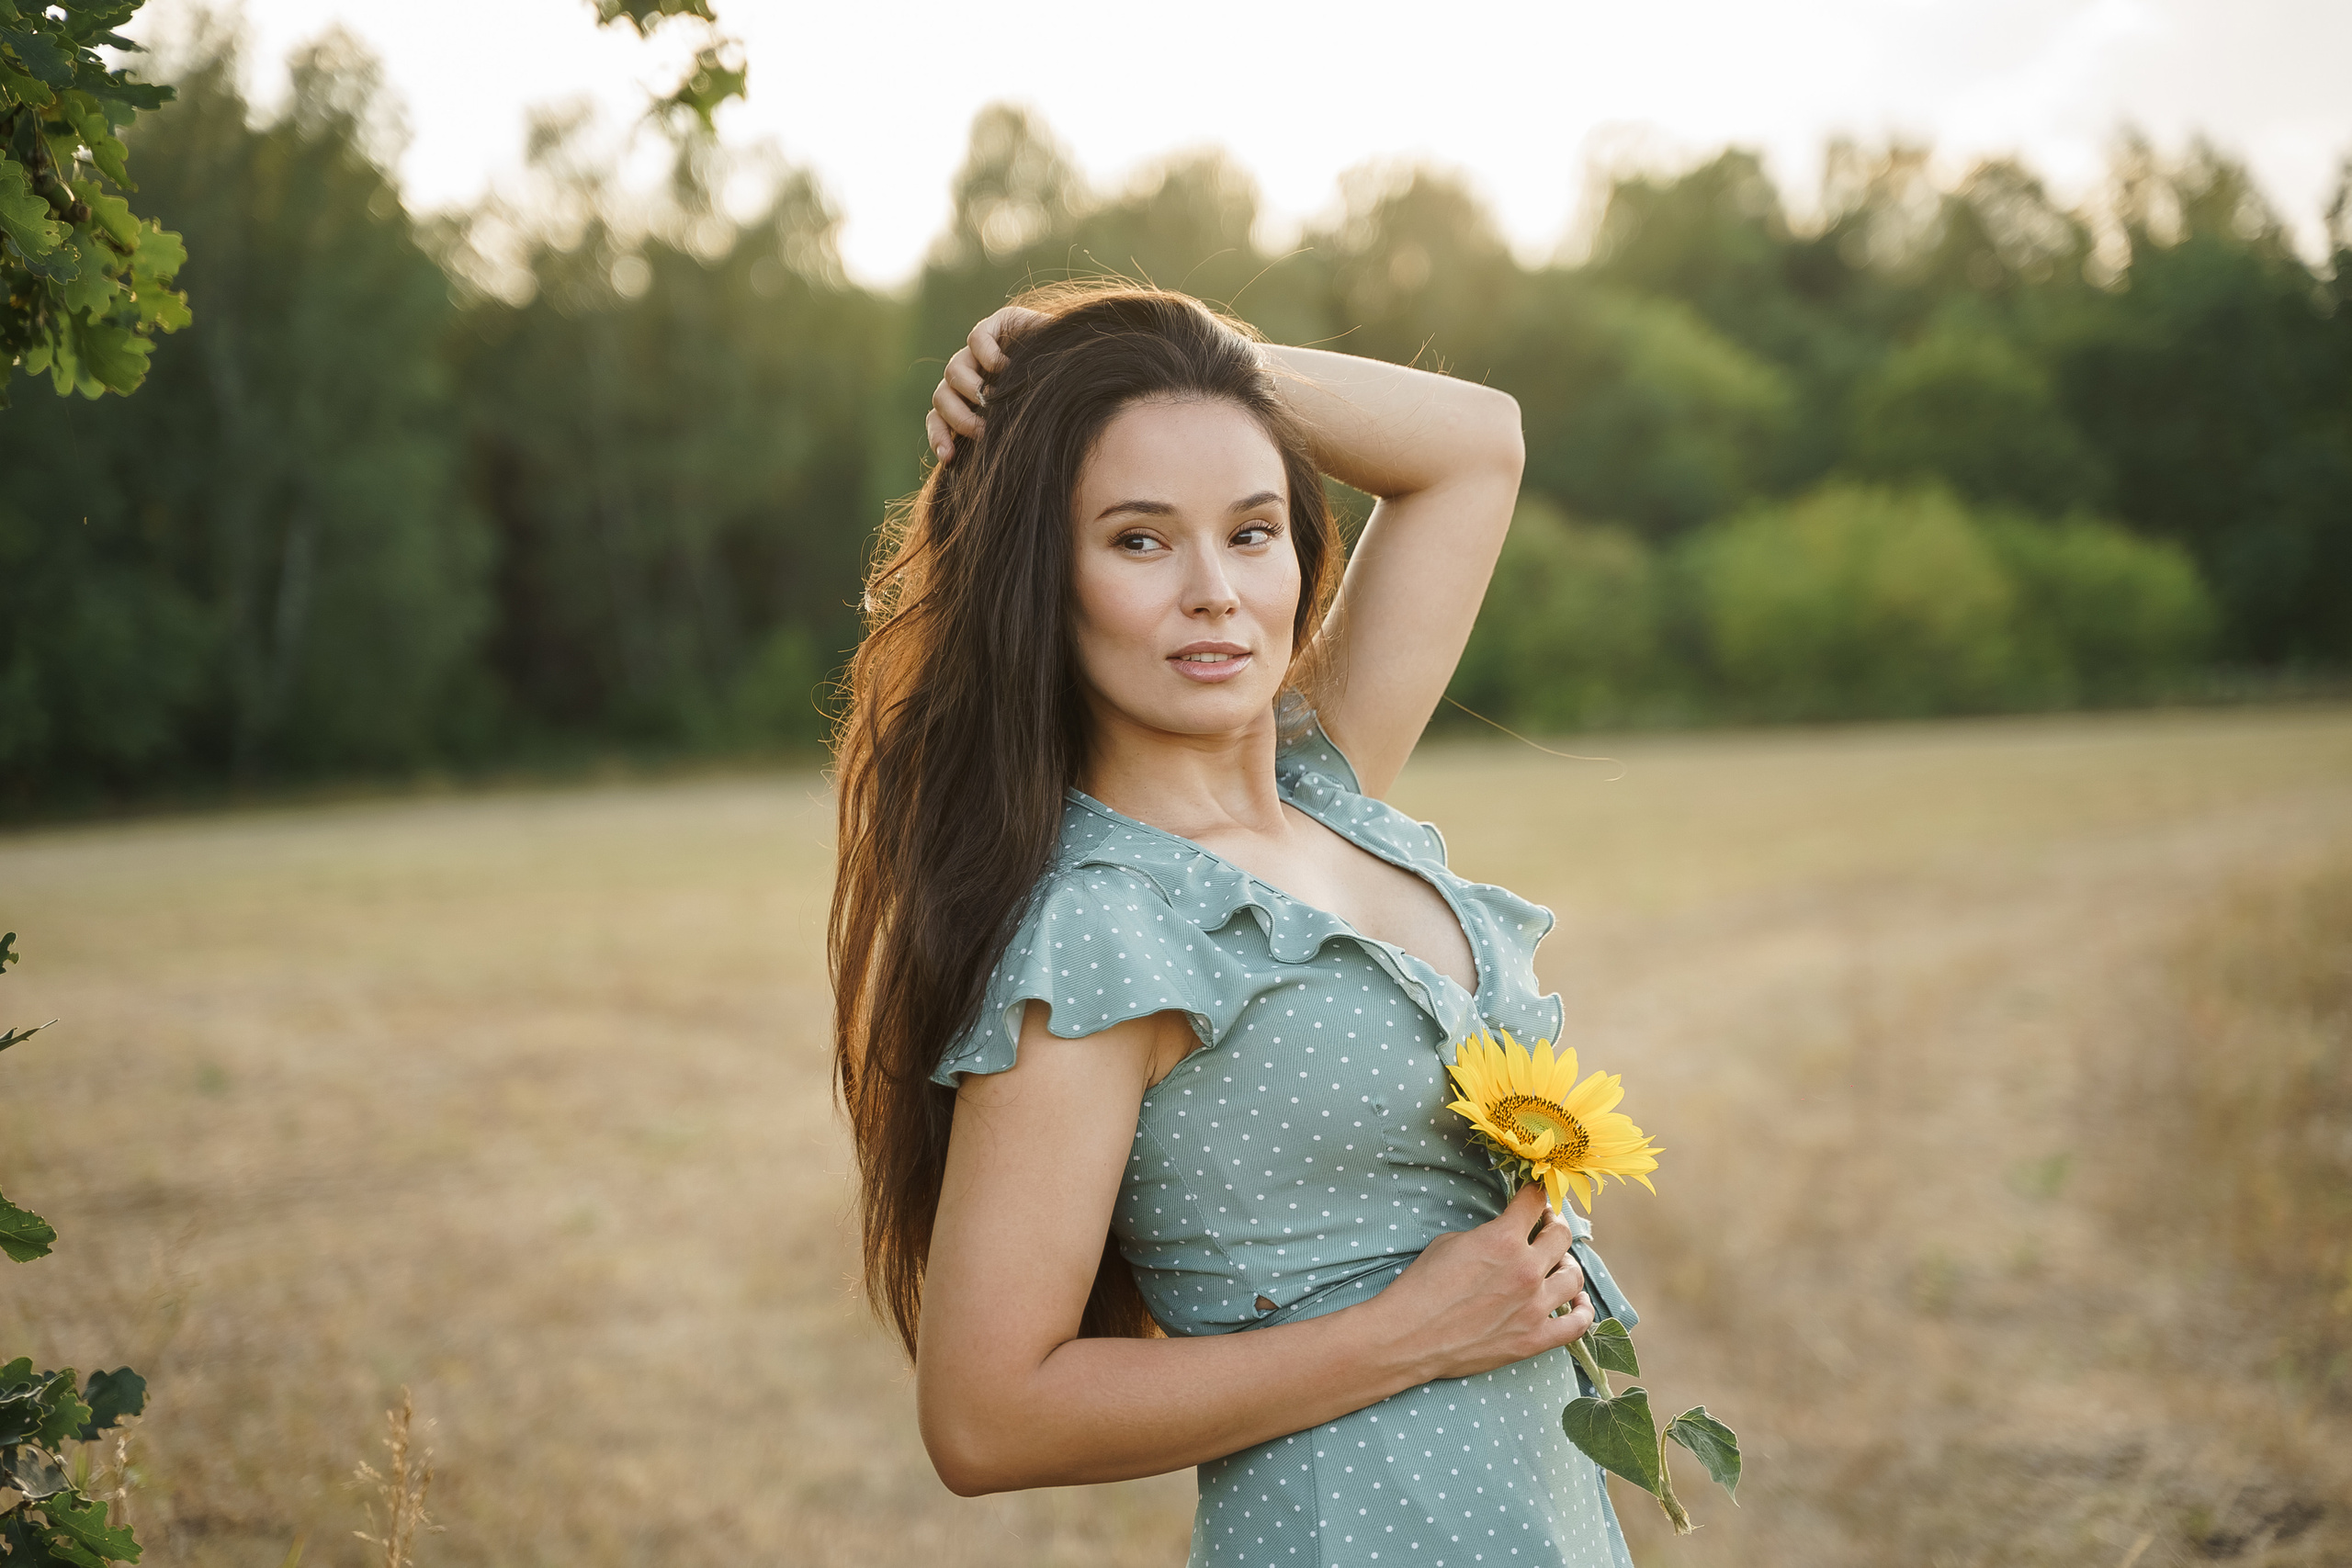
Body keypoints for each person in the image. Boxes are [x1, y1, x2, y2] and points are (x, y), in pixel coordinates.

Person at [831, 283, 1640, 1567]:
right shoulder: (1105, 932)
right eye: (1140, 541)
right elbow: (985, 1416)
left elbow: (1475, 443)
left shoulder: (1329, 794)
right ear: (1043, 583)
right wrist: (1409, 1332)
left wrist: (1157, 362)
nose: (1215, 591)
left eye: (1252, 533)